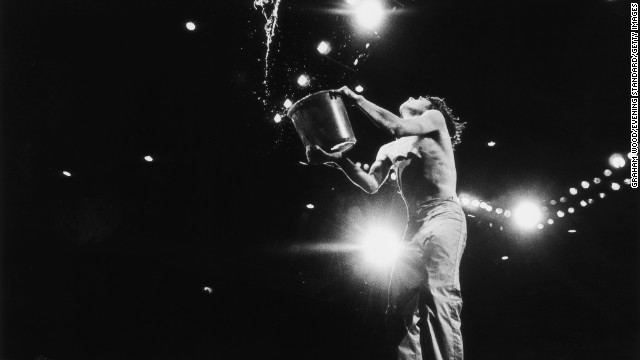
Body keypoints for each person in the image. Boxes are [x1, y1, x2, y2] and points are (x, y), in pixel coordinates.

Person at [306, 86, 467, 360]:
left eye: (420, 97)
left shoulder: (434, 120)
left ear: (430, 107)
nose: (414, 95)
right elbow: (370, 184)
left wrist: (357, 100)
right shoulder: (390, 148)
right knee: (398, 309)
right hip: (414, 227)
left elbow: (397, 127)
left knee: (437, 296)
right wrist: (338, 160)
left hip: (443, 215)